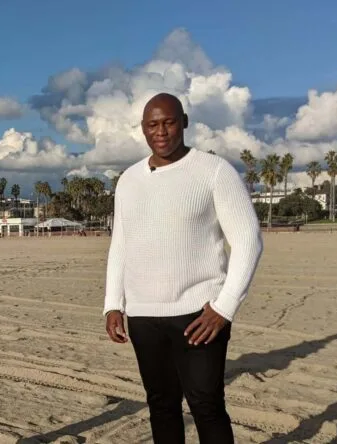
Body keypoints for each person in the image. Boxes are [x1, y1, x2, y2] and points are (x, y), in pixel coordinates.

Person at [102, 93, 263, 444]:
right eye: (152, 124)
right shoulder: (128, 180)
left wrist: (224, 307)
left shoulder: (214, 171)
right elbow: (121, 244)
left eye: (169, 122)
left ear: (185, 122)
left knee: (206, 405)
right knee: (161, 405)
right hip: (143, 315)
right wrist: (113, 303)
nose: (161, 131)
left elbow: (248, 240)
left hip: (199, 314)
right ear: (143, 129)